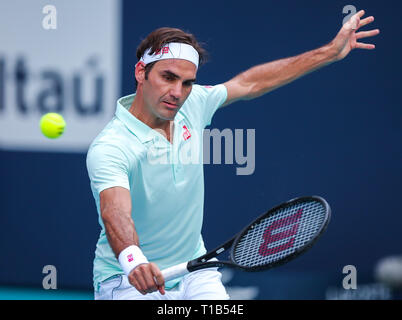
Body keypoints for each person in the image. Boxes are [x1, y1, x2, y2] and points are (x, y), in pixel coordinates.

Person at [86, 10, 379, 300]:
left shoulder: (192, 103)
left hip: (194, 270)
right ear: (141, 72)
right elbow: (115, 212)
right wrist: (133, 260)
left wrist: (329, 52)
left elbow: (250, 83)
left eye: (187, 82)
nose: (178, 92)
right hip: (127, 279)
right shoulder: (112, 146)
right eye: (168, 77)